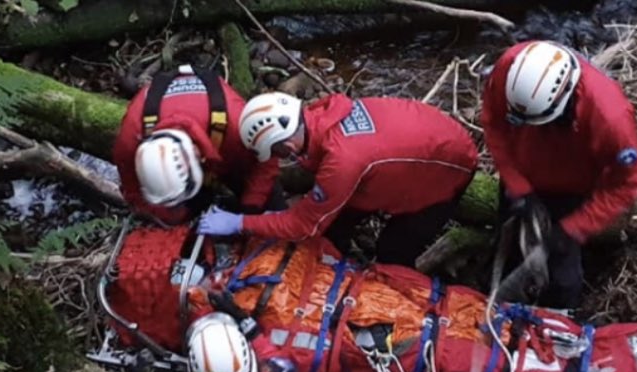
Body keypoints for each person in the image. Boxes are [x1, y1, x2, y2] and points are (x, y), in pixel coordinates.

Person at [195, 91, 478, 267]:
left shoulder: (342, 161)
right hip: (431, 139)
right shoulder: (323, 112)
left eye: (276, 152)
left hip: (448, 168)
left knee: (392, 253)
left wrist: (241, 223)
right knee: (335, 224)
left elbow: (303, 226)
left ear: (287, 146)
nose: (279, 159)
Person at [481, 41, 637, 310]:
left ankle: (558, 324)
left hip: (571, 190)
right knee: (507, 251)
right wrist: (518, 186)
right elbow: (494, 125)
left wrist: (574, 229)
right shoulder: (509, 69)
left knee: (562, 280)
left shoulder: (609, 117)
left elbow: (628, 182)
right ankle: (495, 312)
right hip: (522, 177)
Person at [113, 64, 285, 225]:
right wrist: (176, 217)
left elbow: (267, 162)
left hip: (224, 142)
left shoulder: (235, 123)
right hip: (202, 138)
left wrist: (250, 208)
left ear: (197, 155)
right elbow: (133, 191)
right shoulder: (130, 139)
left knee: (266, 198)